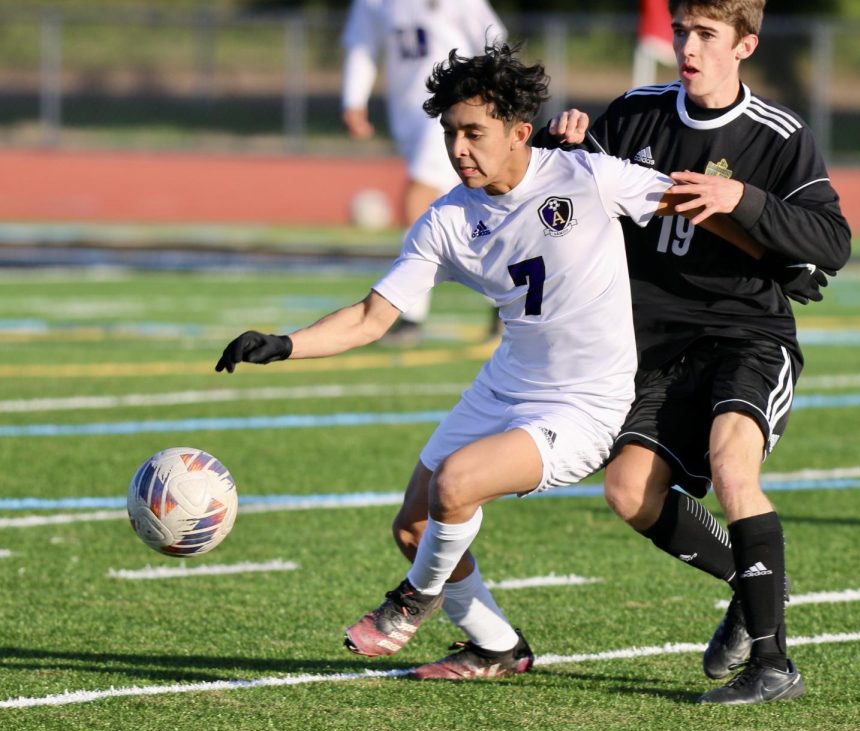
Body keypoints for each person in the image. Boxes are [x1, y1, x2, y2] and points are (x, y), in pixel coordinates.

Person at [216, 42, 762, 681]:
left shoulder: (587, 176)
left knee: (456, 483)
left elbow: (697, 207)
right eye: (450, 132)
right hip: (505, 384)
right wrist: (285, 343)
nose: (458, 148)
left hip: (584, 403)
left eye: (474, 132)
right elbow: (371, 317)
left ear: (519, 133)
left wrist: (773, 251)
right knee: (416, 527)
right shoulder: (447, 220)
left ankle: (413, 600)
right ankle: (498, 647)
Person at [534, 0, 851, 704]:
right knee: (626, 491)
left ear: (745, 45)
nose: (689, 46)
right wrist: (565, 150)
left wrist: (741, 198)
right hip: (653, 345)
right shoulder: (636, 113)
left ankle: (774, 666)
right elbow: (575, 204)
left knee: (733, 466)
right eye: (683, 31)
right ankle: (753, 578)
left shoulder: (778, 135)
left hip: (747, 336)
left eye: (707, 34)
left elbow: (833, 244)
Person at [341, 0, 506, 344]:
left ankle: (409, 315)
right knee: (472, 211)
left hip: (450, 115)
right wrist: (353, 100)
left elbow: (493, 39)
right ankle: (505, 303)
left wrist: (494, 99)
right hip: (408, 119)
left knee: (418, 197)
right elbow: (363, 46)